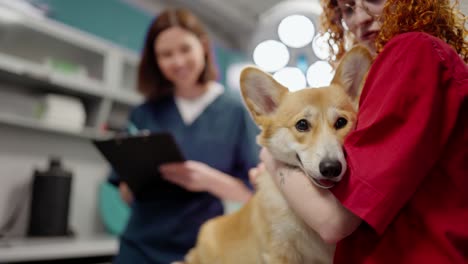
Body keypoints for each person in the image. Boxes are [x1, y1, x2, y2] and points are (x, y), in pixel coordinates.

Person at [258, 0, 468, 263]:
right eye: (347, 9)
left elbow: (333, 220)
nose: (360, 19)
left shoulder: (413, 51)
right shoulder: (397, 72)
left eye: (374, 0)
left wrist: (272, 159)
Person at [108, 8, 259, 264]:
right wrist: (138, 175)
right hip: (139, 248)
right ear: (155, 61)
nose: (177, 61)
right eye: (166, 55)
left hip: (203, 250)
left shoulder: (234, 113)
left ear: (203, 47)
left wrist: (208, 180)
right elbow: (125, 194)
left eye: (185, 49)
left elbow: (253, 195)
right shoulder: (144, 113)